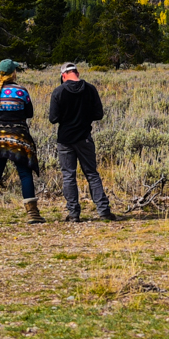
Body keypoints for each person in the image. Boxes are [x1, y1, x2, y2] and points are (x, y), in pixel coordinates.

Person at [47, 62, 114, 221]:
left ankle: (73, 213)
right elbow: (98, 114)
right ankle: (103, 211)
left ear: (63, 76)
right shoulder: (90, 89)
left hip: (65, 139)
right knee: (92, 173)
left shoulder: (59, 91)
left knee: (69, 175)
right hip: (84, 137)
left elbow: (53, 119)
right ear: (77, 72)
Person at [0, 59, 43, 225]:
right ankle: (32, 214)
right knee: (25, 173)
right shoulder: (21, 91)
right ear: (13, 73)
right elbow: (29, 113)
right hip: (18, 137)